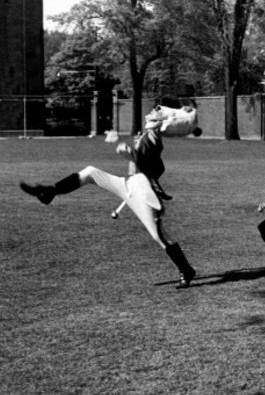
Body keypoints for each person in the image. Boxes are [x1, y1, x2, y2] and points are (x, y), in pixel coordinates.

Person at [19, 109, 196, 289]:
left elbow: (147, 163)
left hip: (142, 189)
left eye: (156, 113)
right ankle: (50, 192)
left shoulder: (153, 137)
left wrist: (126, 149)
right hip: (127, 182)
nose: (151, 112)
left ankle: (186, 270)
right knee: (90, 173)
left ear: (160, 123)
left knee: (159, 236)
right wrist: (124, 146)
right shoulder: (147, 135)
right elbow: (152, 164)